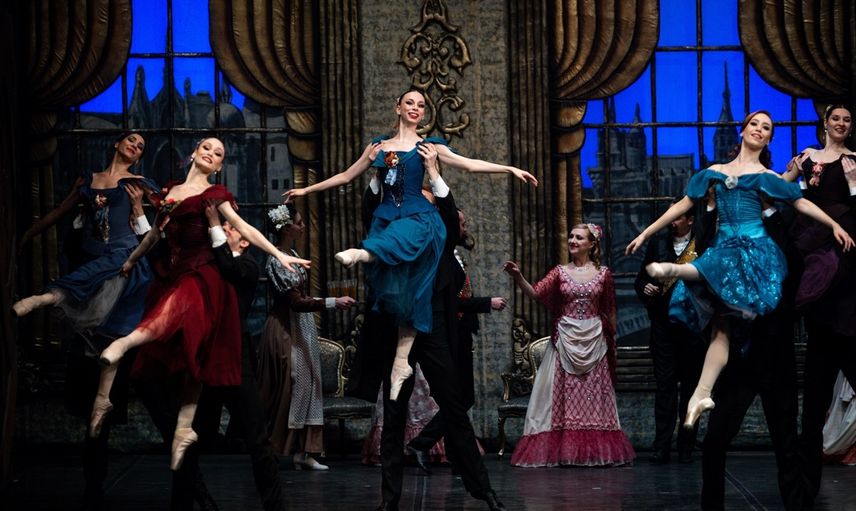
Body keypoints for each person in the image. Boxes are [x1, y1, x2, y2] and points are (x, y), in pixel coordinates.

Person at [282, 87, 537, 402]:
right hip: (389, 216)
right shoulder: (379, 147)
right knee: (408, 297)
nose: (416, 108)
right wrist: (306, 191)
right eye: (410, 103)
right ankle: (401, 362)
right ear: (398, 107)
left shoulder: (428, 146)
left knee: (405, 257)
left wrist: (509, 169)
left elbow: (468, 164)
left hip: (419, 218)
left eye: (421, 105)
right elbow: (347, 175)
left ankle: (365, 253)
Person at [88, 137, 311, 471]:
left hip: (201, 276)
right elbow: (155, 236)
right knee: (187, 356)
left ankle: (124, 346)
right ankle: (173, 427)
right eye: (206, 148)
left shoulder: (214, 195)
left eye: (218, 153)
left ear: (219, 166)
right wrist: (132, 260)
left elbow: (245, 228)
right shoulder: (170, 192)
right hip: (175, 274)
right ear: (193, 153)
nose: (210, 153)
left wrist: (279, 254)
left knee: (185, 331)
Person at [625, 110, 854, 429]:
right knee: (720, 328)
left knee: (726, 297)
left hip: (755, 250)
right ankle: (701, 394)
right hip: (726, 249)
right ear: (743, 130)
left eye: (766, 127)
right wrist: (644, 233)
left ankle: (680, 273)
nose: (760, 129)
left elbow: (801, 203)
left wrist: (834, 225)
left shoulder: (767, 178)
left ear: (769, 139)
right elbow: (683, 204)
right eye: (755, 124)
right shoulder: (715, 173)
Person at [13, 133, 158, 510]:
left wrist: (139, 208)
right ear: (117, 144)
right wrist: (26, 236)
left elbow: (156, 232)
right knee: (90, 375)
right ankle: (92, 481)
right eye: (131, 140)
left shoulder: (138, 185)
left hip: (124, 277)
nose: (136, 147)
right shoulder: (88, 182)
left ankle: (103, 413)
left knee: (116, 356)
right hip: (93, 279)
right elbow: (60, 215)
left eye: (142, 146)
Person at [368, 150, 507, 510]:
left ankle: (485, 492)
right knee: (394, 415)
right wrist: (378, 172)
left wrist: (432, 171)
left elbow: (447, 210)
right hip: (400, 329)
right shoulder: (394, 234)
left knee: (455, 409)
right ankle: (389, 501)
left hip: (434, 328)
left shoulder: (441, 238)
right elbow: (371, 209)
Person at [168, 202, 287, 511]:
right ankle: (189, 501)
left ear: (245, 242)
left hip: (235, 358)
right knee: (189, 437)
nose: (224, 228)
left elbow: (228, 268)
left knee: (257, 439)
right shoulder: (210, 263)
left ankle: (275, 507)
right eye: (224, 225)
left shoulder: (247, 266)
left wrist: (212, 222)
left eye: (231, 228)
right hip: (206, 359)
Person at [700, 200, 806, 510]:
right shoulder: (729, 243)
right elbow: (705, 258)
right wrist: (710, 206)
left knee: (786, 443)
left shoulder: (777, 235)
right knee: (714, 441)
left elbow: (795, 265)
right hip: (739, 360)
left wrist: (768, 209)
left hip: (775, 358)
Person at [503, 223, 636, 467]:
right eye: (571, 236)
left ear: (591, 244)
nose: (573, 241)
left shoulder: (603, 273)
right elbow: (536, 293)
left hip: (595, 342)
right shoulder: (560, 272)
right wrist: (518, 276)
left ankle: (594, 453)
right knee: (565, 399)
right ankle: (565, 452)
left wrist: (613, 341)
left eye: (579, 238)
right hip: (565, 340)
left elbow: (610, 309)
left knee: (592, 401)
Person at [781, 104, 856, 506]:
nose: (842, 124)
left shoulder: (854, 162)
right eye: (836, 118)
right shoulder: (807, 158)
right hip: (816, 267)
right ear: (825, 123)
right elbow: (782, 192)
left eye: (847, 120)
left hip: (845, 267)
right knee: (813, 401)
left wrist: (853, 187)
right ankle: (804, 489)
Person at [256, 203, 355, 471]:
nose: (302, 227)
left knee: (309, 385)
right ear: (286, 228)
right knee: (290, 387)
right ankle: (275, 448)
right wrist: (333, 302)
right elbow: (296, 302)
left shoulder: (293, 254)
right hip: (285, 329)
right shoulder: (277, 260)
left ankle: (305, 451)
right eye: (298, 223)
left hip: (301, 326)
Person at [405, 208, 507, 467]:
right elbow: (451, 302)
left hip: (461, 333)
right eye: (461, 223)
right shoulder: (441, 258)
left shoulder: (453, 255)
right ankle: (421, 443)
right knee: (461, 397)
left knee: (458, 396)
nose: (465, 228)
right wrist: (487, 303)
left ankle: (451, 452)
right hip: (450, 335)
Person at [634, 198, 706, 463]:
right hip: (663, 326)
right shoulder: (658, 243)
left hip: (692, 328)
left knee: (690, 390)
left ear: (690, 219)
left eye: (677, 217)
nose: (672, 222)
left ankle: (686, 447)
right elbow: (641, 279)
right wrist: (645, 287)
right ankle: (661, 446)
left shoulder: (703, 244)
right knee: (665, 387)